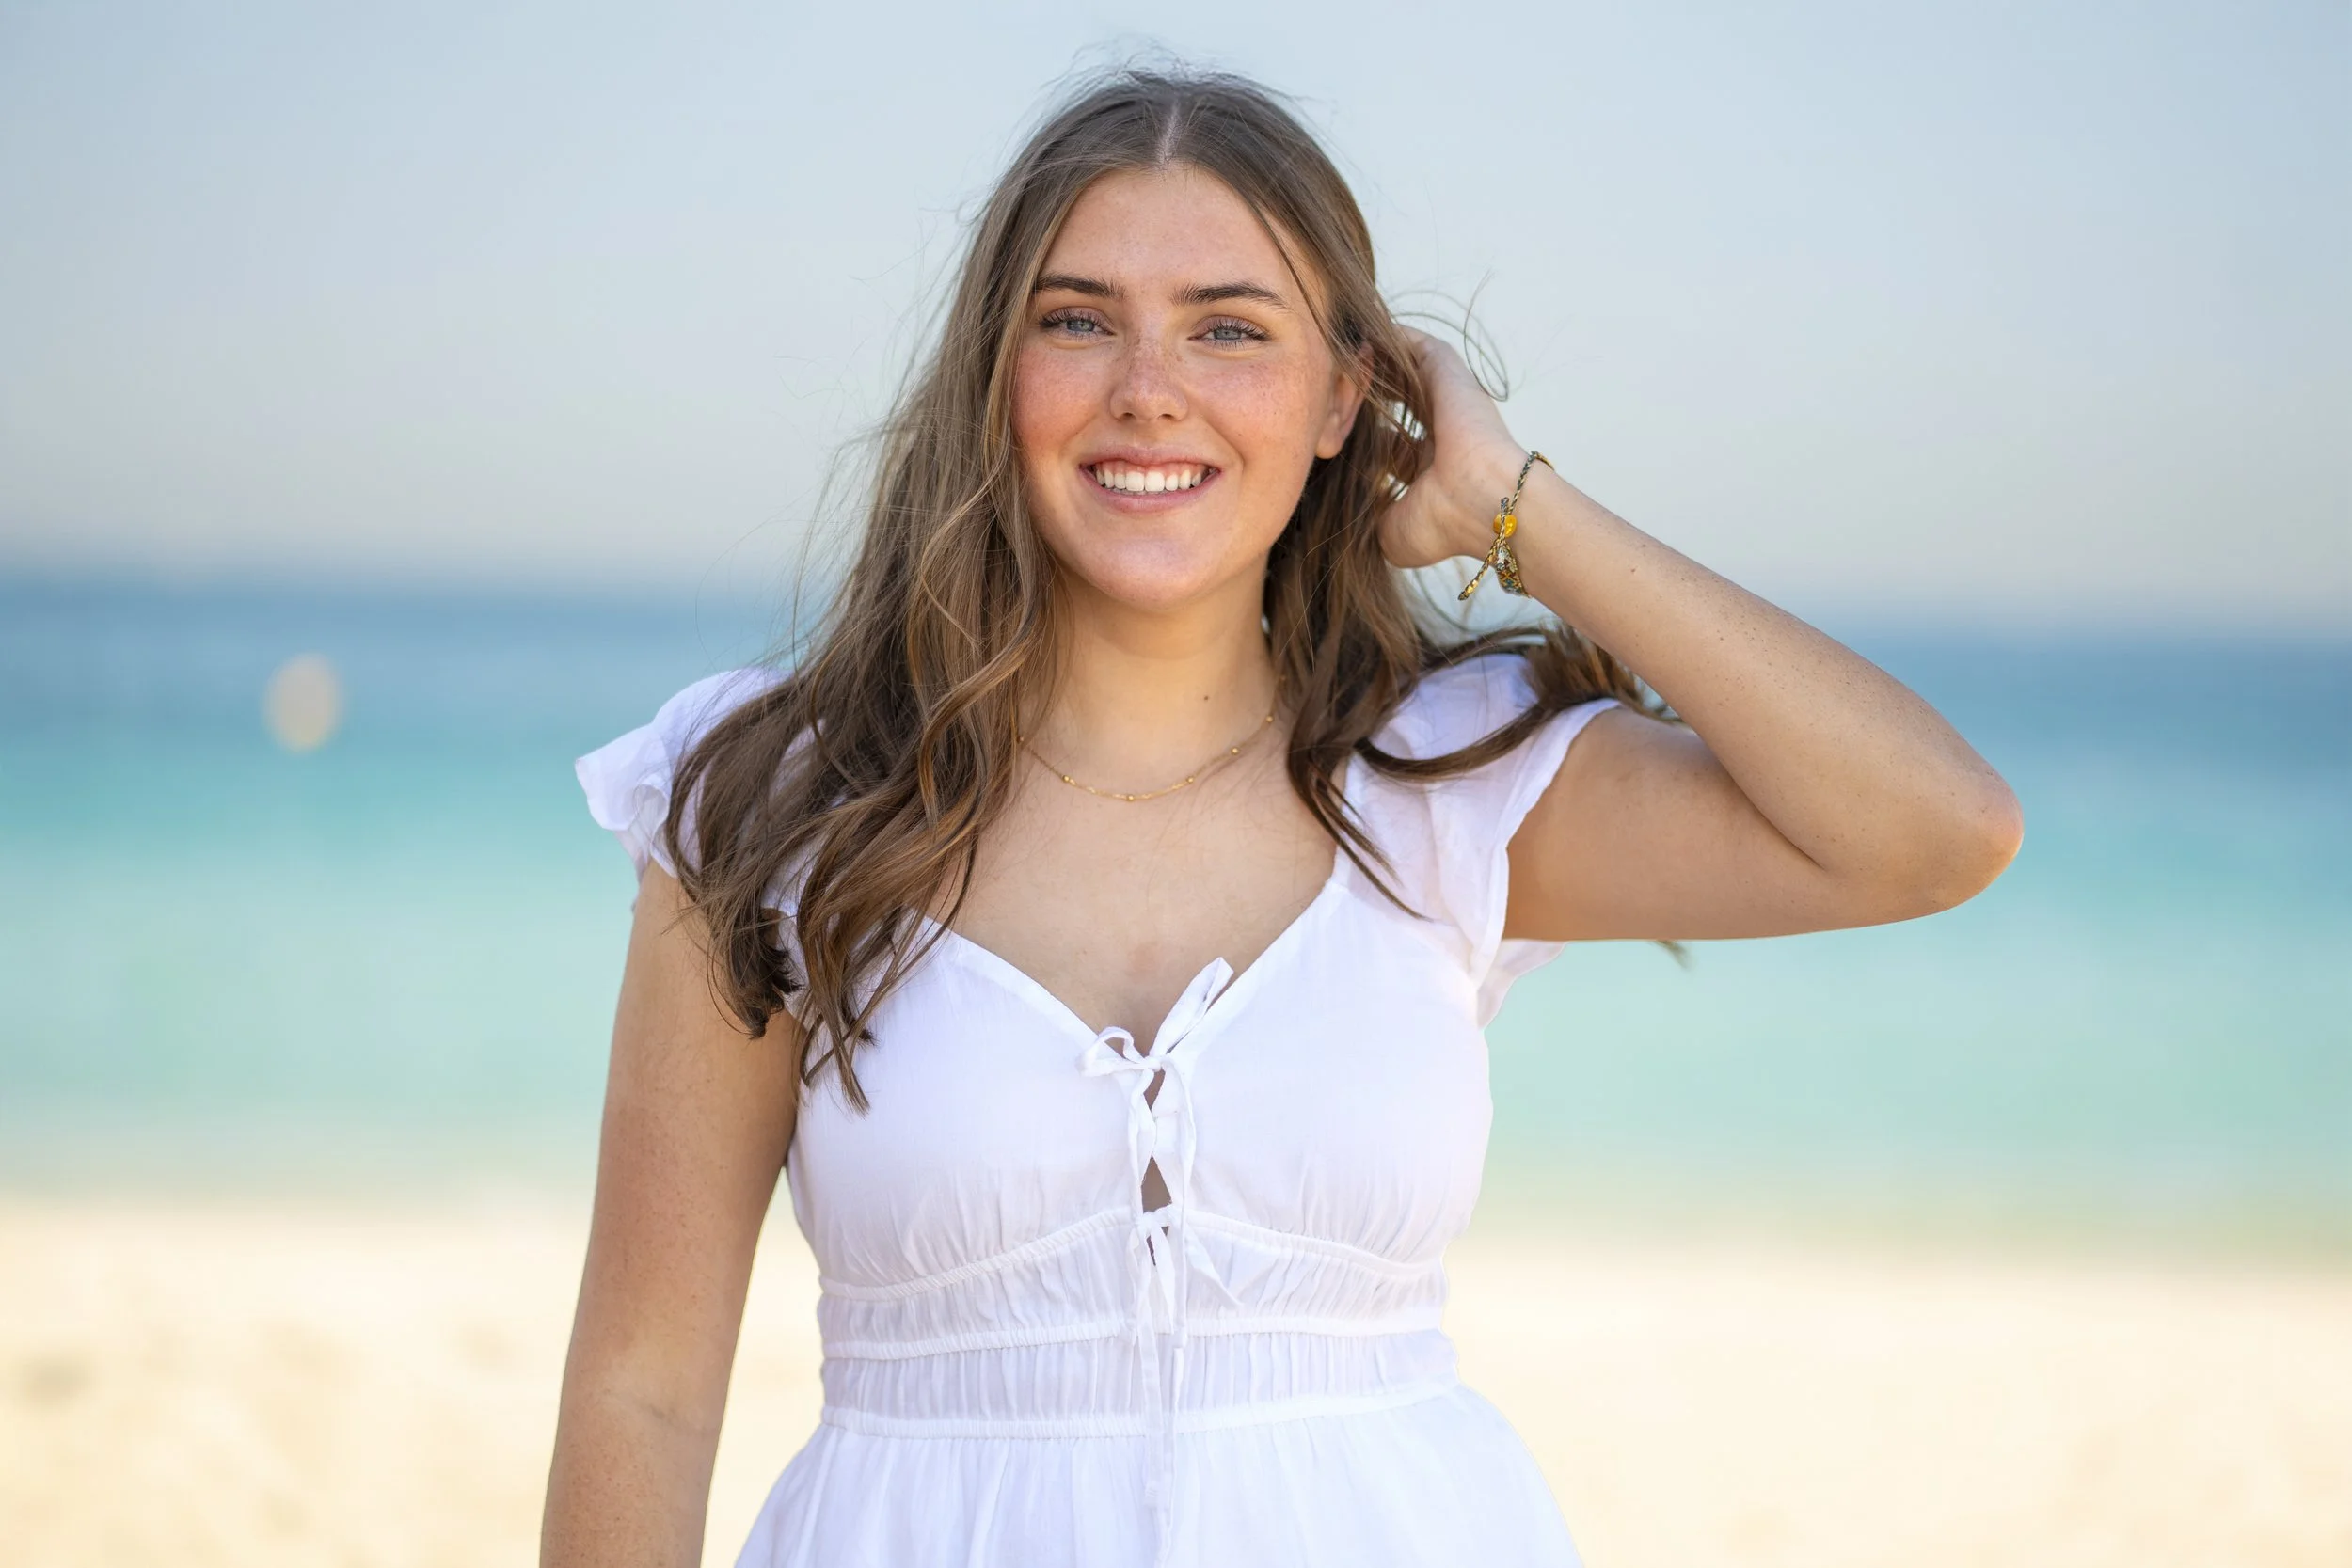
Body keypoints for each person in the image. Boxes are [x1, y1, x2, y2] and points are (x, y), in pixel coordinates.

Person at [541, 66, 2022, 1568]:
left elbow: (1932, 826)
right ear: (995, 372)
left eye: (1230, 327)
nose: (1147, 387)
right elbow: (643, 1393)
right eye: (1076, 318)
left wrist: (1510, 500)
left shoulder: (1451, 783)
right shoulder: (777, 799)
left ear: (1344, 397)